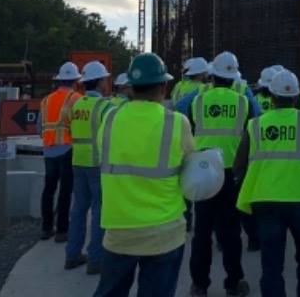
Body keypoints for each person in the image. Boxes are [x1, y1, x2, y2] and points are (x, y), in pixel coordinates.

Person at [93, 53, 192, 297]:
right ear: (163, 86)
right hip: (164, 232)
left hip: (119, 229)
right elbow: (192, 171)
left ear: (131, 87)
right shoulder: (177, 123)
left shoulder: (110, 119)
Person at [235, 69, 300, 297]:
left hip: (266, 201)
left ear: (271, 96)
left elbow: (240, 166)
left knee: (271, 265)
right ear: (296, 96)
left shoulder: (255, 125)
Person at [187, 51, 253, 297]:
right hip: (229, 172)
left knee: (202, 231)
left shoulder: (198, 101)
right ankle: (234, 283)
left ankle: (199, 285)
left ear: (212, 76)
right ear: (233, 77)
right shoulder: (242, 101)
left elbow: (189, 121)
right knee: (230, 232)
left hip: (204, 170)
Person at [65, 61, 114, 274]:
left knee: (78, 210)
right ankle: (96, 259)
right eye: (105, 79)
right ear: (101, 81)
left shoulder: (77, 105)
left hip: (78, 161)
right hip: (97, 162)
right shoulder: (106, 106)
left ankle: (72, 255)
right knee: (99, 211)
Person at [39, 62, 82, 242]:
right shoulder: (76, 98)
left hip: (49, 150)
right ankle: (62, 231)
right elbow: (79, 125)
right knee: (65, 191)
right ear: (75, 81)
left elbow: (38, 126)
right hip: (67, 148)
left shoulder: (46, 100)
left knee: (49, 190)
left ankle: (46, 228)